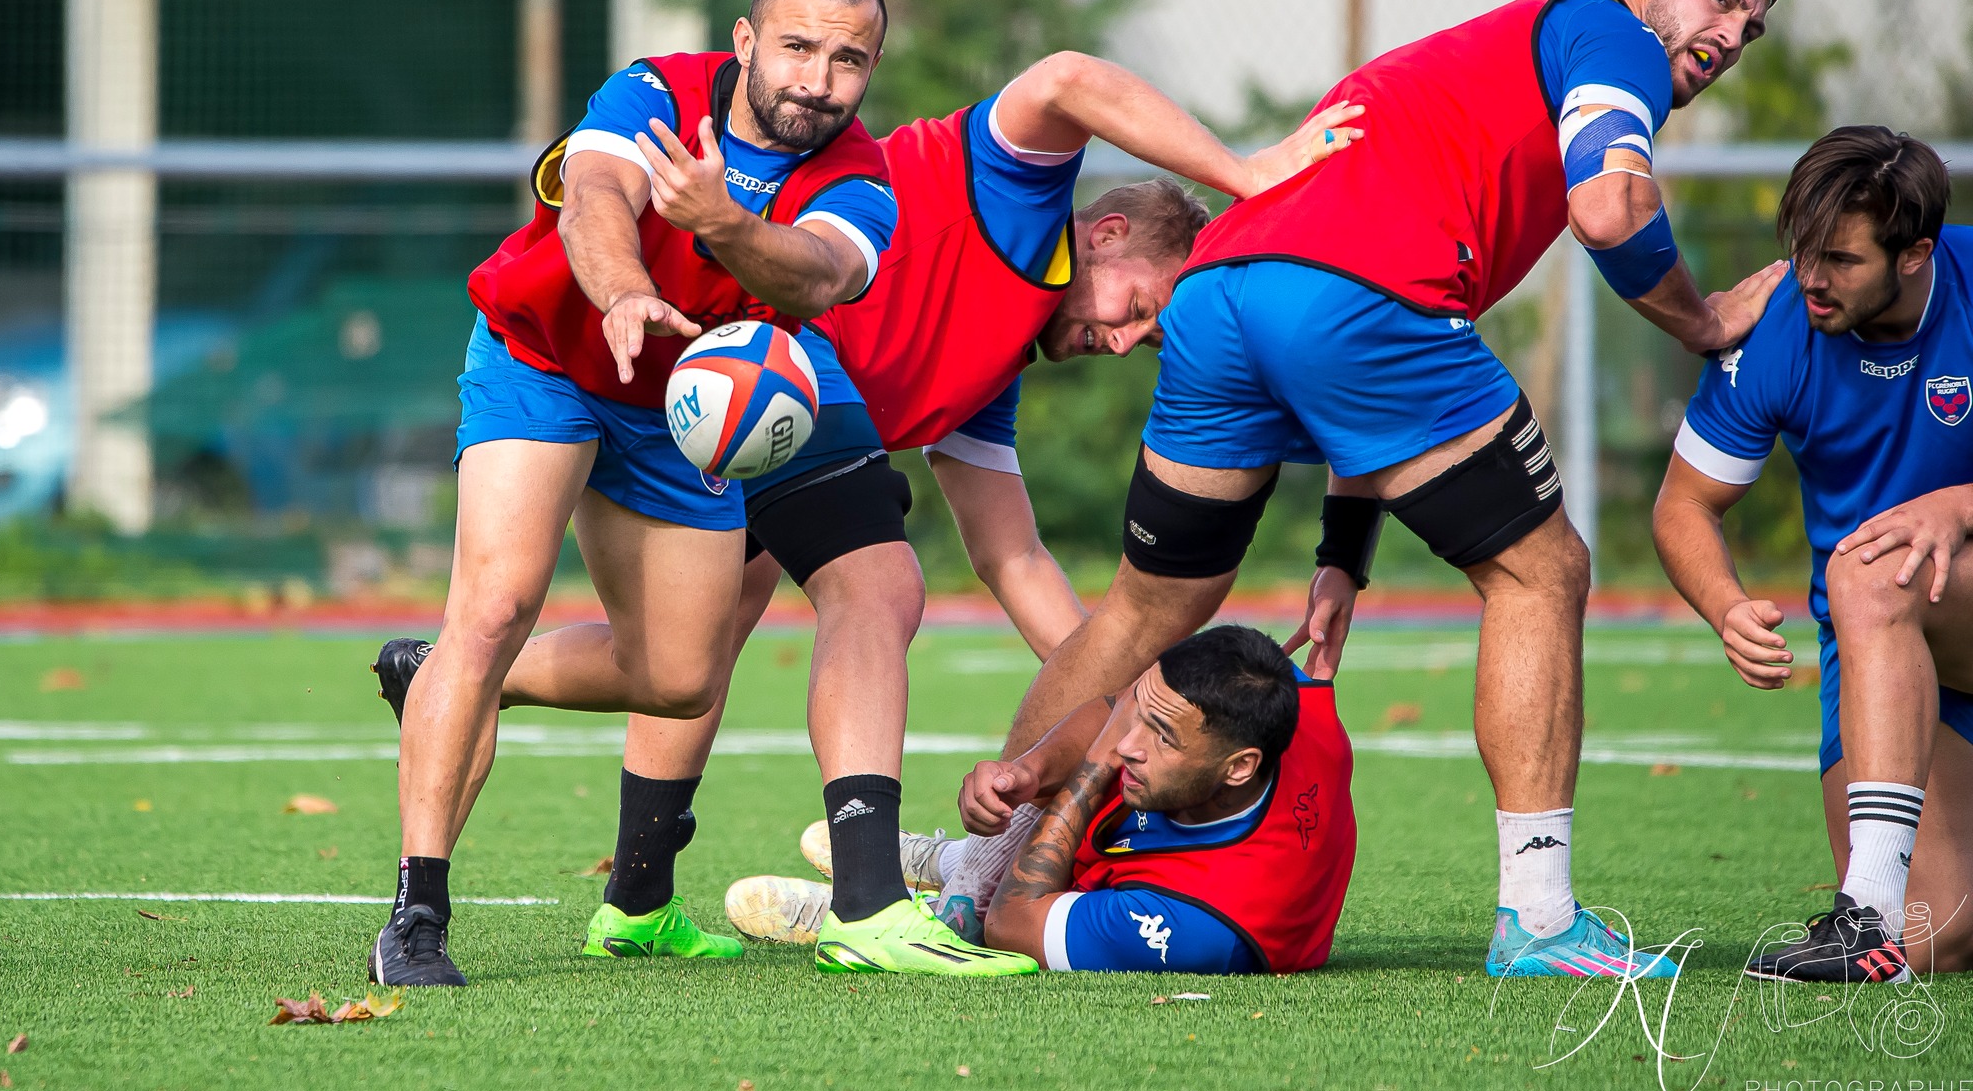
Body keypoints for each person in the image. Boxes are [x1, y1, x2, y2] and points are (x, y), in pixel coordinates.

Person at [375, 56, 1364, 974]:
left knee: (691, 656)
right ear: (1104, 234)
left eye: (1144, 339)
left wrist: (1122, 688)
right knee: (874, 585)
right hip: (735, 364)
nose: (1125, 341)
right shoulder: (1015, 198)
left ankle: (623, 892)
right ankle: (864, 902)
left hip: (756, 407)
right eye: (1138, 307)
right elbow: (1065, 77)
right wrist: (1245, 172)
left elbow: (1012, 553)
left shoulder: (991, 373)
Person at [961, 0, 1787, 980]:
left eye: (1750, 28)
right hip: (1355, 297)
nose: (1729, 34)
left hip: (1217, 291)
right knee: (1542, 570)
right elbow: (1609, 209)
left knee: (1141, 607)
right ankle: (1537, 919)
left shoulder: (1482, 59)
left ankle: (970, 889)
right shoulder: (1609, 35)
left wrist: (1343, 551)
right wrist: (1702, 320)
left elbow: (1341, 333)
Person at [370, 0, 900, 987]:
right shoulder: (654, 90)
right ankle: (417, 914)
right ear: (746, 43)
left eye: (848, 60)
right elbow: (595, 196)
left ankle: (438, 677)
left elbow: (824, 269)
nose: (816, 79)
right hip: (544, 360)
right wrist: (619, 288)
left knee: (678, 676)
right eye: (795, 47)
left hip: (681, 411)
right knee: (494, 605)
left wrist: (725, 224)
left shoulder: (860, 176)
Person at [1653, 127, 1973, 982]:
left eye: (1839, 258)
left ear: (1915, 254)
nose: (1809, 278)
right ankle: (1885, 919)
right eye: (1801, 249)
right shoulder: (1778, 333)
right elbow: (1685, 505)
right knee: (1934, 936)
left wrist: (1960, 503)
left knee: (1871, 568)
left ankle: (1857, 915)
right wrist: (1724, 603)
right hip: (1886, 649)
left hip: (1948, 594)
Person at [724, 625, 1355, 975]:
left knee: (986, 923)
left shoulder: (1204, 928)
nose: (1131, 743)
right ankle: (947, 866)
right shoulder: (1292, 710)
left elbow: (1016, 921)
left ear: (1240, 767)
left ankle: (920, 904)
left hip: (1158, 894)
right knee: (1083, 775)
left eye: (1159, 737)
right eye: (1145, 708)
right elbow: (1116, 711)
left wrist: (1088, 772)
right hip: (1159, 839)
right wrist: (1028, 773)